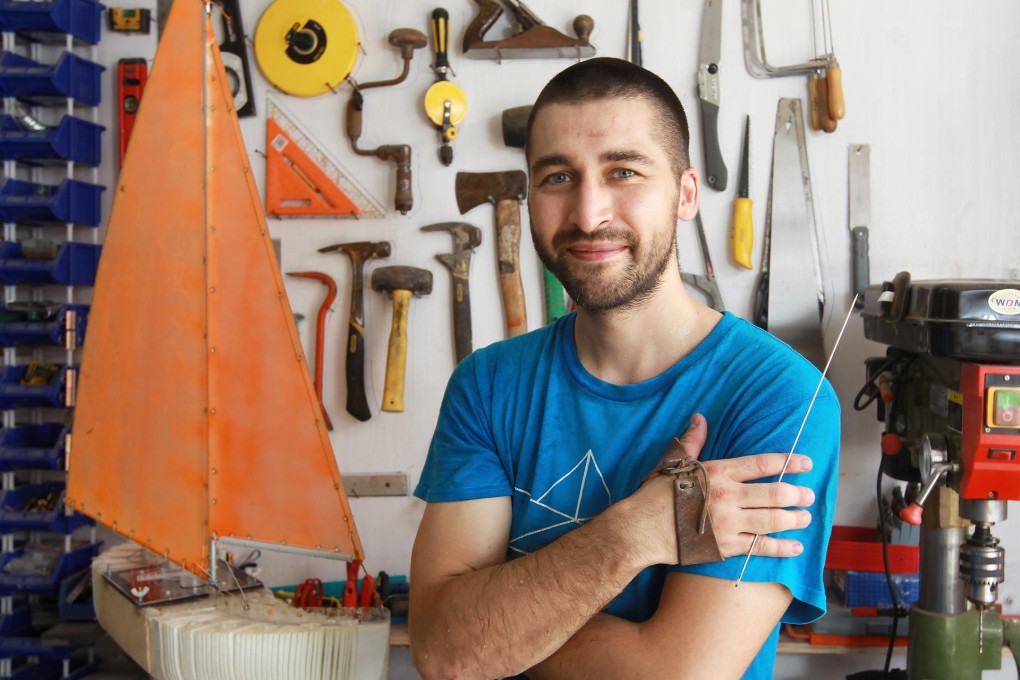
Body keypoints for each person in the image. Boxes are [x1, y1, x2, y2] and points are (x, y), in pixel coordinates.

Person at [409, 57, 840, 679]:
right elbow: (444, 652)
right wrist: (639, 530)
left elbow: (672, 673)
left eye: (624, 171)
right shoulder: (488, 384)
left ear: (686, 193)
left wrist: (502, 630)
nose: (588, 214)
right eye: (558, 177)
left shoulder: (779, 399)